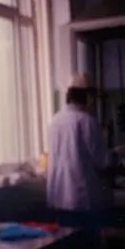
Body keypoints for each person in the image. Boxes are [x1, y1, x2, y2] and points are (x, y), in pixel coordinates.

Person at [46, 72, 110, 231]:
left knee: (67, 240)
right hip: (81, 199)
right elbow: (102, 161)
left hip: (58, 197)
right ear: (87, 96)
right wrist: (116, 153)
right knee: (86, 241)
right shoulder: (87, 121)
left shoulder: (55, 120)